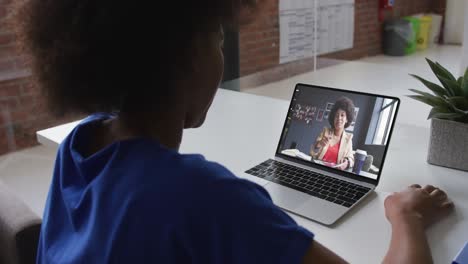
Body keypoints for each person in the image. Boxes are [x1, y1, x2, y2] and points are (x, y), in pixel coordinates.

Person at [13, 0, 454, 263]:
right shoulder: (202, 195)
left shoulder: (80, 145)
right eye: (218, 41)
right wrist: (406, 216)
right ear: (185, 56)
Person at [311, 97, 355, 170]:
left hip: (334, 173)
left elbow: (351, 159)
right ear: (333, 117)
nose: (339, 118)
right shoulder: (325, 131)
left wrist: (347, 162)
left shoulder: (348, 139)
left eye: (342, 115)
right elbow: (312, 152)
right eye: (336, 115)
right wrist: (319, 144)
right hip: (318, 169)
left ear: (347, 119)